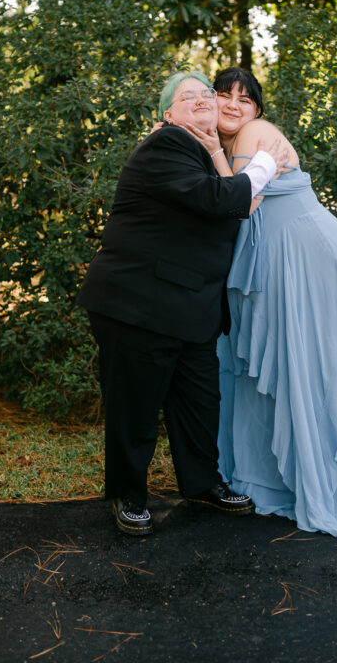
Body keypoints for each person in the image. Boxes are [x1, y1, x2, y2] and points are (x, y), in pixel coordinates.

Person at [186, 66, 337, 536]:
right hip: (275, 261)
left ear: (257, 110)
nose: (232, 105)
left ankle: (330, 482)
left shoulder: (253, 133)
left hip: (308, 257)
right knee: (283, 366)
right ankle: (276, 481)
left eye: (245, 99)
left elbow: (239, 203)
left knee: (312, 363)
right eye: (223, 94)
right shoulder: (223, 144)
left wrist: (213, 151)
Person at [77, 70, 289, 536]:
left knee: (200, 403)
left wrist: (228, 162)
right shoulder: (166, 145)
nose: (202, 99)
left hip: (192, 306)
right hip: (139, 304)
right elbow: (220, 200)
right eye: (186, 96)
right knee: (135, 408)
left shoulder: (205, 154)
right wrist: (263, 165)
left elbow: (229, 209)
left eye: (205, 94)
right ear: (168, 115)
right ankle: (129, 496)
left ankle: (201, 484)